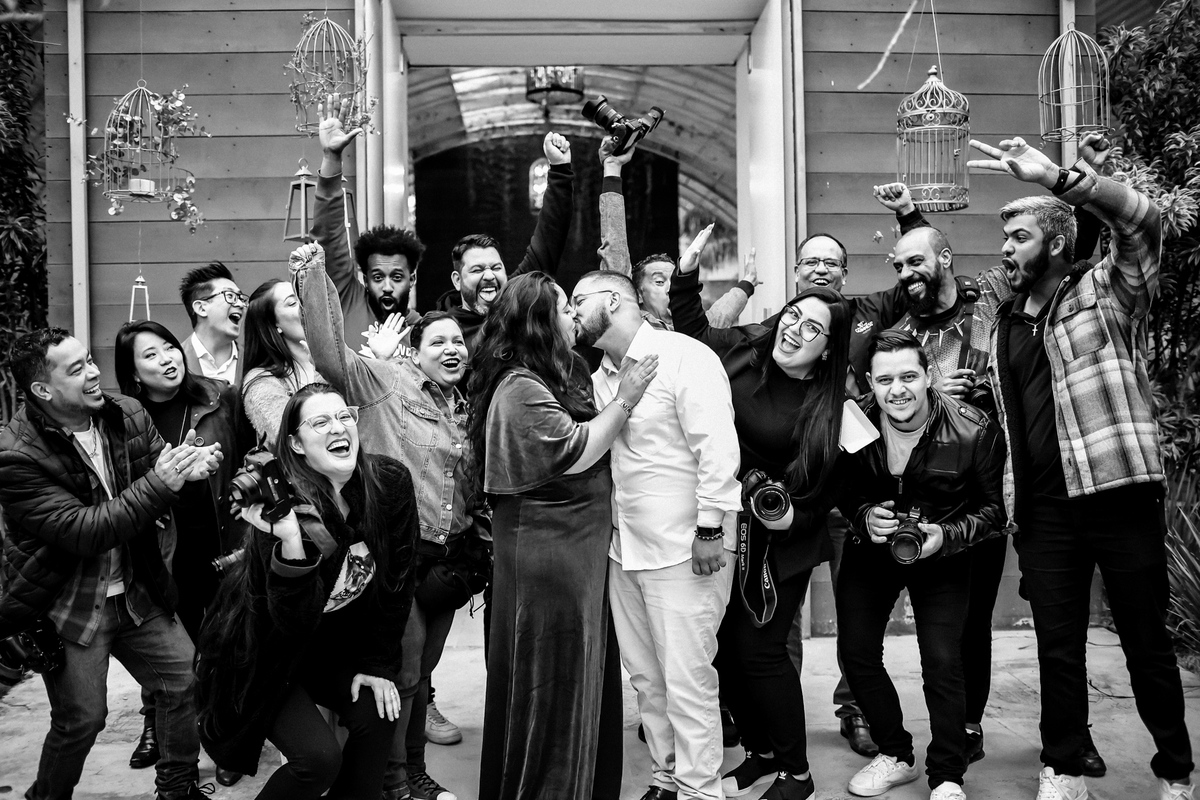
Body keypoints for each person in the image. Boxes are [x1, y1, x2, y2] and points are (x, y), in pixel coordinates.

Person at [968, 133, 1194, 800]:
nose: (1006, 248)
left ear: (1059, 243)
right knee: (1057, 648)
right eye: (1004, 237)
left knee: (1146, 643)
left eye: (1020, 237)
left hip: (1116, 495)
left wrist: (1061, 179)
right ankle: (1063, 767)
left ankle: (1175, 770)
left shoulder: (1106, 293)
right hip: (1043, 511)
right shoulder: (1006, 323)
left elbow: (1143, 222)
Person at [871, 180, 1108, 773]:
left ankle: (1063, 736)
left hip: (1002, 482)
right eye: (899, 268)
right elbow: (921, 265)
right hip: (936, 494)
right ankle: (952, 725)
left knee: (1009, 621)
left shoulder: (989, 299)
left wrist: (1082, 189)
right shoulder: (907, 332)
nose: (907, 274)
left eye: (916, 263)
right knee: (954, 625)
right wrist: (936, 393)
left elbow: (1060, 252)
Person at [292, 240, 488, 800]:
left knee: (421, 675)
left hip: (449, 563)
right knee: (401, 672)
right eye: (437, 342)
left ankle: (411, 772)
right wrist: (315, 277)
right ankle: (395, 781)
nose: (451, 349)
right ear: (413, 353)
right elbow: (330, 354)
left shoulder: (468, 404)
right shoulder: (384, 382)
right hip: (398, 556)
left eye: (457, 341)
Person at [0, 327, 222, 800]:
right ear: (43, 389)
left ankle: (177, 789)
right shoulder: (16, 455)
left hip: (138, 587)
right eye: (76, 369)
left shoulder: (127, 413)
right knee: (83, 720)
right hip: (72, 601)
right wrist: (162, 482)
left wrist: (190, 468)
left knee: (183, 682)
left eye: (89, 359)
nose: (94, 372)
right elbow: (86, 530)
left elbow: (161, 475)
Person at [468, 271, 657, 800]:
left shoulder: (550, 375)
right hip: (548, 558)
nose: (574, 316)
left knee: (578, 673)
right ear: (538, 321)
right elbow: (577, 450)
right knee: (552, 679)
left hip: (573, 553)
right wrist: (627, 399)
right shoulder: (519, 388)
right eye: (564, 308)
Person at [670, 268, 852, 800]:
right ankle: (761, 752)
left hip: (782, 544)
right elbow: (692, 334)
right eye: (793, 315)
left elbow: (832, 492)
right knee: (724, 650)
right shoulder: (743, 356)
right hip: (724, 528)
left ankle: (797, 773)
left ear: (828, 348)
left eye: (812, 328)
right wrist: (685, 277)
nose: (794, 329)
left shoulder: (831, 409)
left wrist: (794, 518)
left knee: (761, 653)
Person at [195, 383, 419, 800]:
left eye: (344, 416)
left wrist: (377, 664)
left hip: (331, 646)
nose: (338, 427)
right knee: (318, 760)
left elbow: (397, 583)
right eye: (320, 422)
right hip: (269, 651)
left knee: (378, 710)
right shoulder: (282, 505)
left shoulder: (389, 483)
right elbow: (291, 622)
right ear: (296, 444)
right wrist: (290, 539)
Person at [574, 270, 742, 800]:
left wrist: (711, 527)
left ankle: (700, 789)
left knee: (688, 678)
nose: (572, 311)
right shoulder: (600, 376)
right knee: (647, 679)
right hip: (625, 550)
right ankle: (667, 777)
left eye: (578, 300)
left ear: (614, 300)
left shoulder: (684, 356)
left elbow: (717, 447)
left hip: (686, 548)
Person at [836, 330, 1006, 800]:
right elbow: (841, 487)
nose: (898, 390)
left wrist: (946, 536)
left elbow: (996, 511)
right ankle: (896, 754)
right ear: (870, 382)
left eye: (909, 376)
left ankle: (947, 775)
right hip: (871, 546)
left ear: (929, 375)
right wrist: (863, 514)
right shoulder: (852, 420)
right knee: (856, 651)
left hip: (943, 550)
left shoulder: (974, 429)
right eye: (885, 380)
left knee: (943, 659)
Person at [113, 319, 248, 780]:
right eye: (150, 355)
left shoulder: (220, 396)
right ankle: (157, 722)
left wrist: (239, 483)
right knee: (171, 647)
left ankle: (226, 740)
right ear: (133, 373)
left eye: (169, 347)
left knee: (228, 644)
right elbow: (118, 484)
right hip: (164, 551)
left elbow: (257, 452)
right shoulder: (123, 419)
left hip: (224, 539)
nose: (167, 358)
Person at [596, 139, 756, 330]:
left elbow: (721, 314)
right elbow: (615, 250)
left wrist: (748, 282)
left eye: (675, 283)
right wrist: (612, 168)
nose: (670, 289)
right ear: (638, 294)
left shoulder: (694, 330)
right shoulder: (632, 324)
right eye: (659, 281)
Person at [437, 144, 575, 356]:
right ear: (457, 280)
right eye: (477, 270)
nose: (489, 276)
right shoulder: (441, 331)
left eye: (495, 267)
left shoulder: (518, 300)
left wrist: (560, 169)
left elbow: (550, 236)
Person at [312, 95, 427, 347]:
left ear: (412, 279)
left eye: (397, 277)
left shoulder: (425, 333)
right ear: (364, 279)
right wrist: (332, 158)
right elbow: (328, 237)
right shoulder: (348, 302)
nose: (387, 287)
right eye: (377, 277)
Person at [241, 276, 326, 443]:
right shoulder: (261, 382)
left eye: (303, 298)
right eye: (293, 303)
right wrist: (322, 369)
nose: (305, 306)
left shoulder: (336, 361)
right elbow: (293, 440)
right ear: (274, 324)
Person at [179, 261, 247, 385]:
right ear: (201, 308)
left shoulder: (253, 362)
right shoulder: (176, 362)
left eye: (241, 298)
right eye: (230, 296)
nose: (240, 304)